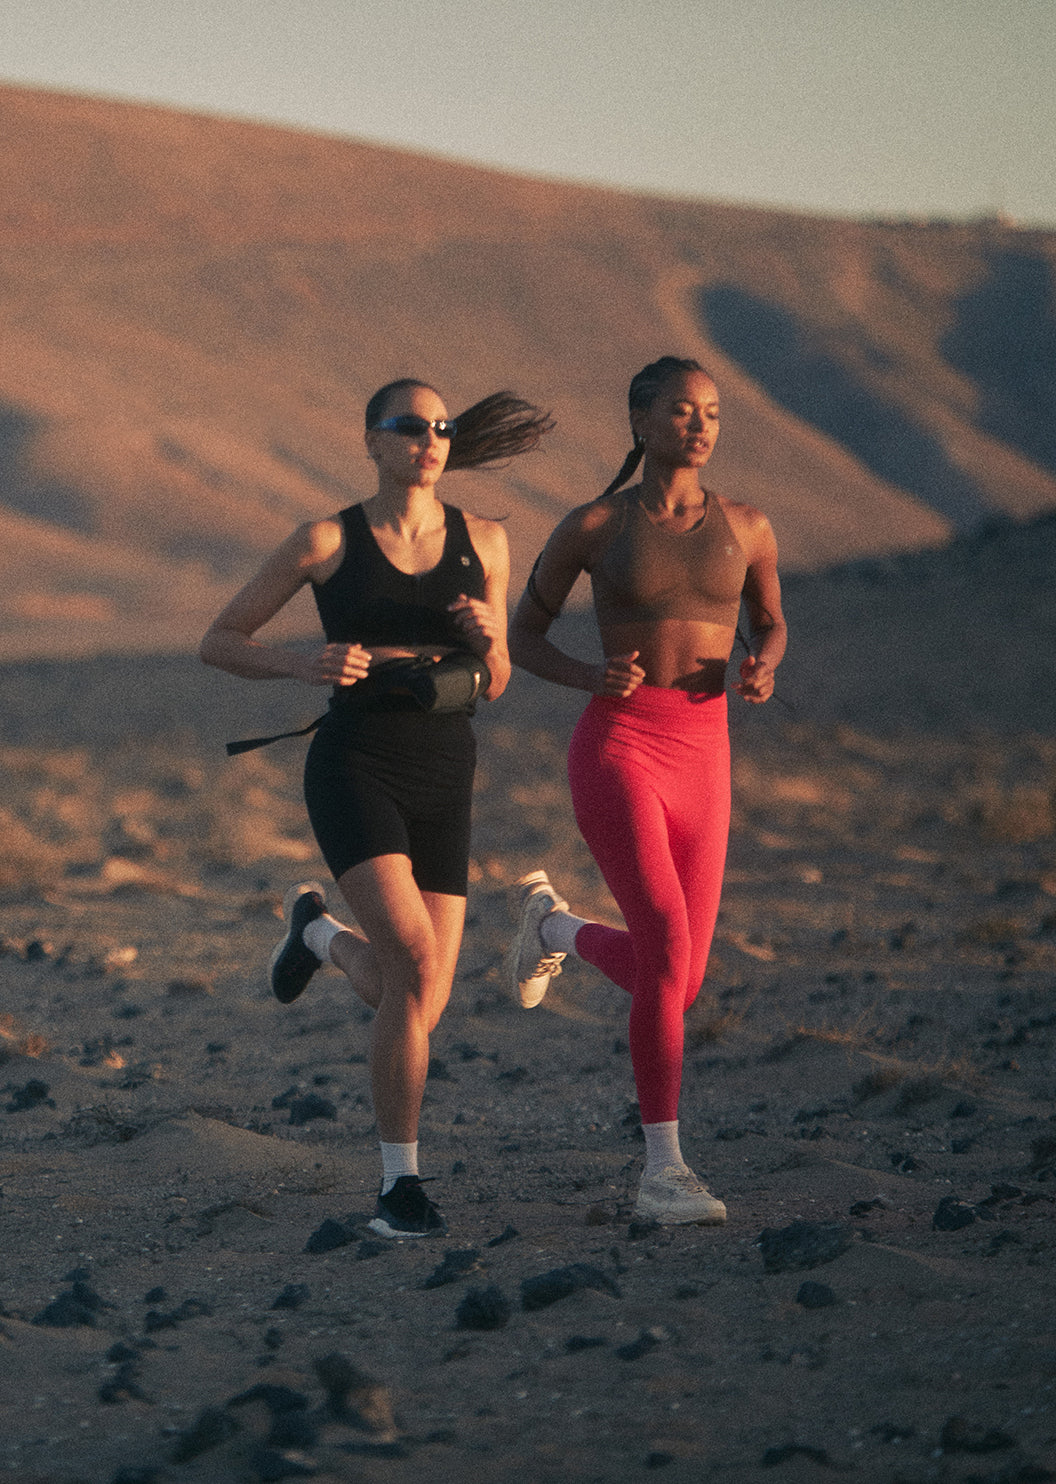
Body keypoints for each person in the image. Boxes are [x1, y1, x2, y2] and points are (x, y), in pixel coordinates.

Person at [201, 378, 552, 1238]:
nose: (430, 439)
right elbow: (220, 641)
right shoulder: (326, 539)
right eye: (409, 426)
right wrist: (305, 665)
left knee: (420, 996)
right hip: (355, 761)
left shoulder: (489, 541)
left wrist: (486, 642)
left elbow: (500, 679)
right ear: (371, 440)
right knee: (417, 965)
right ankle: (400, 1188)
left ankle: (315, 935)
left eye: (441, 427)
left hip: (445, 765)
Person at [506, 356, 785, 1226]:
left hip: (707, 755)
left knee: (683, 979)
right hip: (622, 747)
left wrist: (763, 663)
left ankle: (553, 927)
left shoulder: (748, 526)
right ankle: (664, 1171)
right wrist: (591, 675)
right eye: (679, 410)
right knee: (666, 947)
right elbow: (525, 636)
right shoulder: (595, 524)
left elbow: (771, 622)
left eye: (709, 411)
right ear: (640, 423)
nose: (698, 424)